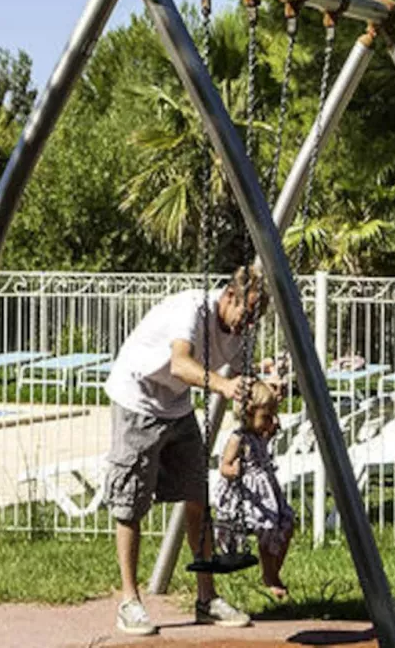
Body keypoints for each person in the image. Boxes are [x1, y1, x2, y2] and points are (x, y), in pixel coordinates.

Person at [104, 264, 266, 637]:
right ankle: (130, 601)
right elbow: (180, 363)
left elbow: (240, 375)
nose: (249, 323)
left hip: (177, 405)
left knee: (197, 496)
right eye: (247, 311)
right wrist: (224, 385)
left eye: (256, 317)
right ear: (229, 297)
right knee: (131, 503)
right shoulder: (191, 309)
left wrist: (260, 385)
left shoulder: (240, 330)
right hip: (138, 400)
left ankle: (207, 598)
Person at [214, 380, 295, 600]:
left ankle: (273, 571)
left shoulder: (261, 434)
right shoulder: (238, 438)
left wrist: (276, 402)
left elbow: (272, 421)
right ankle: (270, 576)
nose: (271, 422)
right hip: (248, 496)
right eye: (266, 417)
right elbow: (224, 466)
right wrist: (234, 470)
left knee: (288, 523)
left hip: (267, 492)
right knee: (267, 529)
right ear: (249, 413)